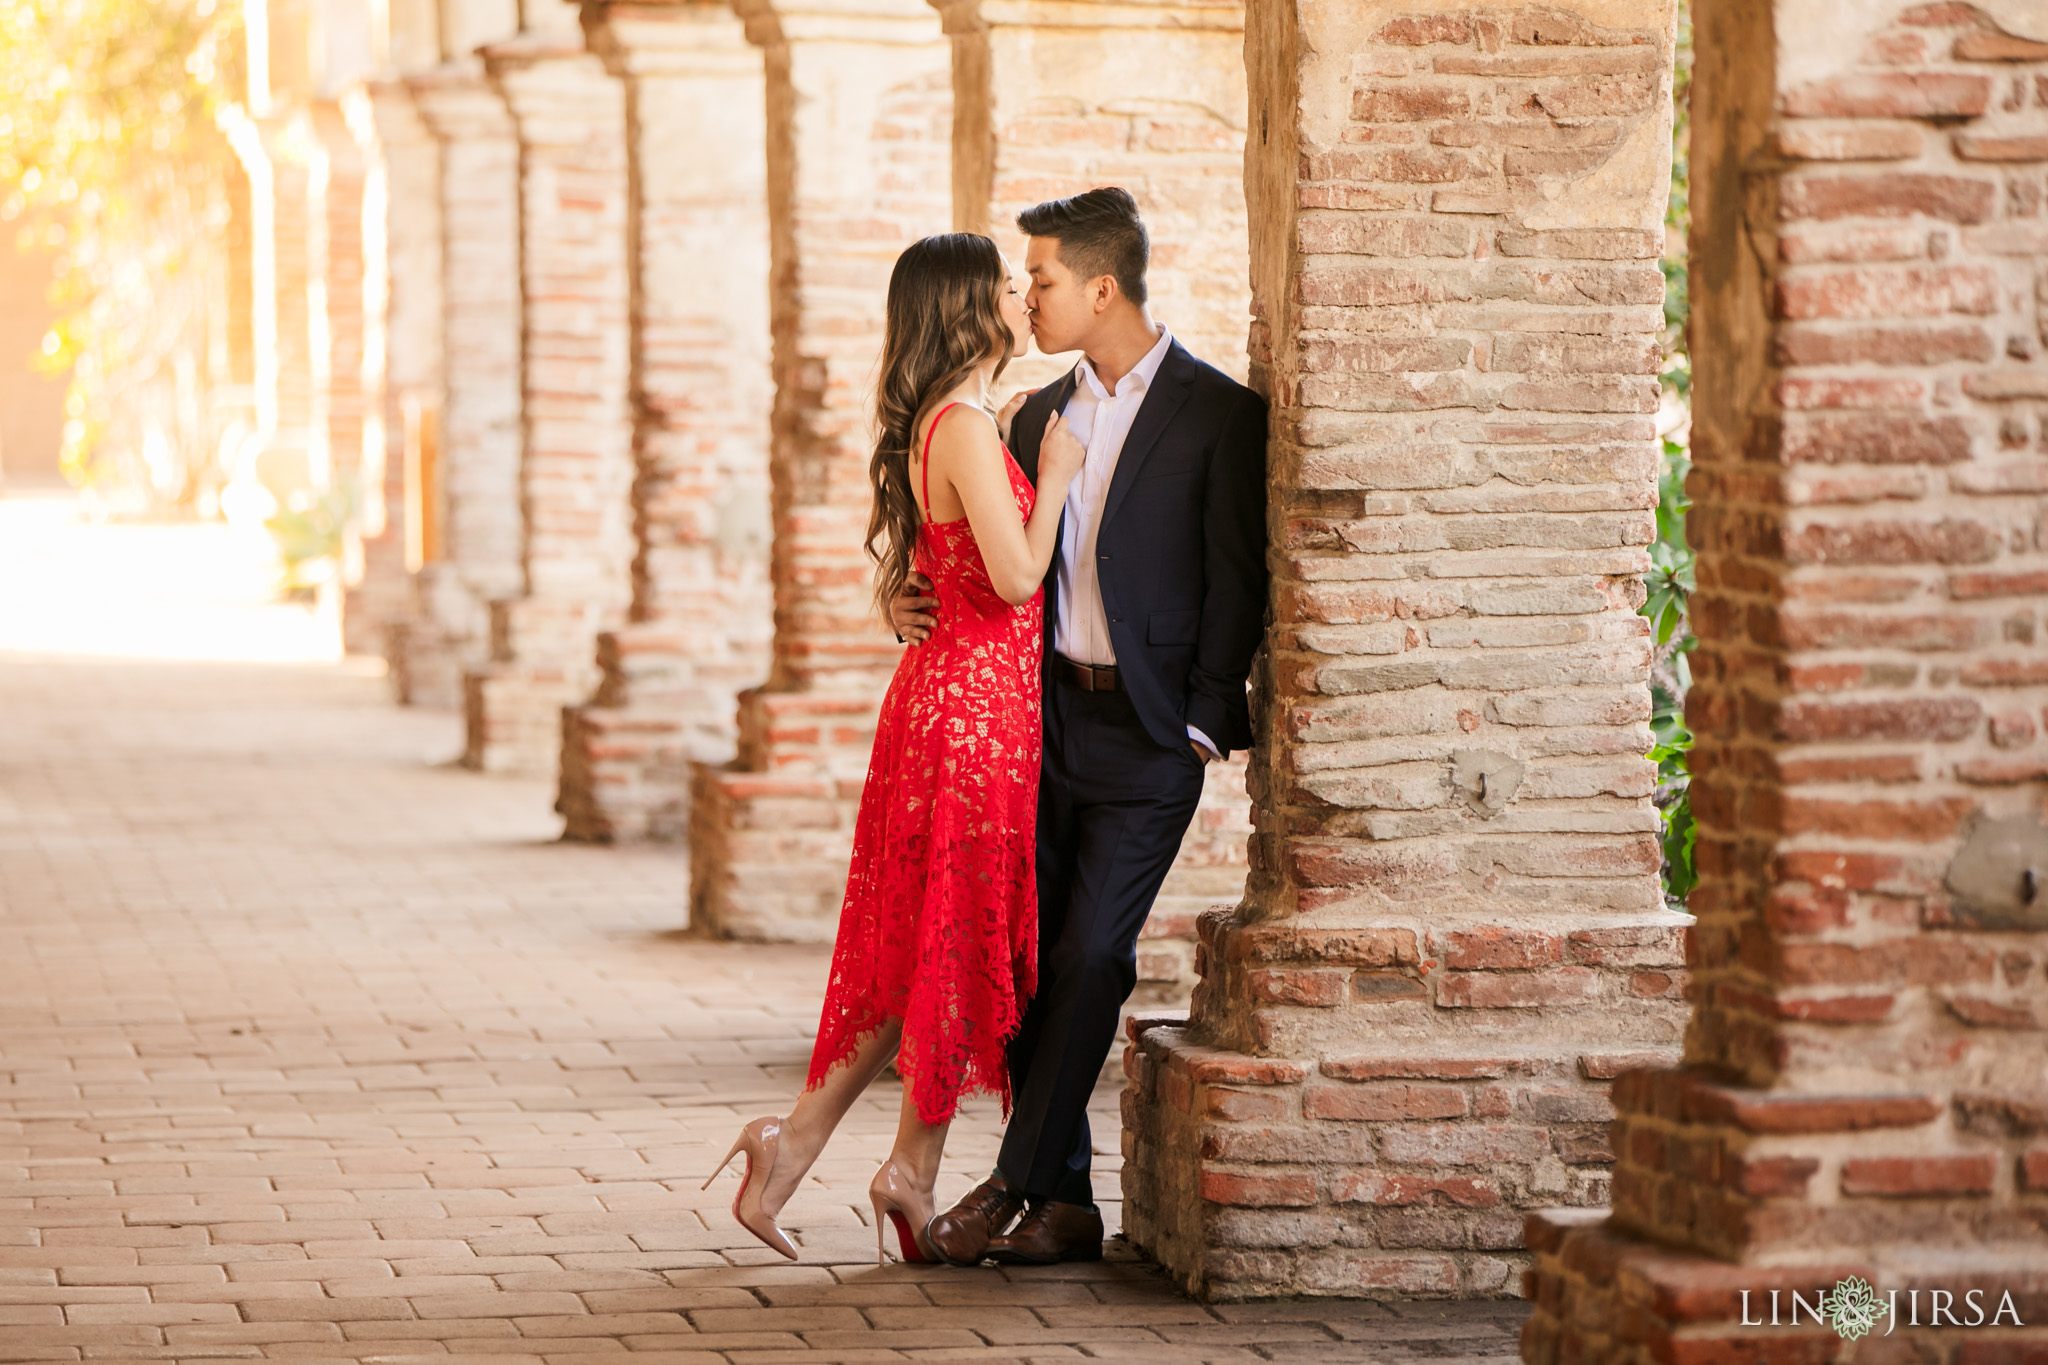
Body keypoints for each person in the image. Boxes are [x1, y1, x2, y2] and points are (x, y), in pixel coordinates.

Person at [895, 188, 1269, 1265]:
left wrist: (1201, 724)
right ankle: (1065, 1208)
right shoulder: (1027, 414)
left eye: (1043, 279)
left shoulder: (1217, 414)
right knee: (1033, 962)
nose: (1027, 298)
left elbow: (1236, 581)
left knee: (1097, 955)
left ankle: (1010, 1183)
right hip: (1043, 725)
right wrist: (903, 595)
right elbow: (969, 546)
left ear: (1101, 288)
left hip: (1152, 741)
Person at [705, 233, 1086, 1264]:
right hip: (968, 721)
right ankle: (856, 1162)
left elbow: (949, 564)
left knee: (938, 948)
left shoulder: (956, 420)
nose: (1020, 296)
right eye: (1006, 286)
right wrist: (1052, 476)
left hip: (960, 708)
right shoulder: (962, 425)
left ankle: (845, 1162)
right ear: (967, 308)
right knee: (945, 942)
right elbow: (1012, 581)